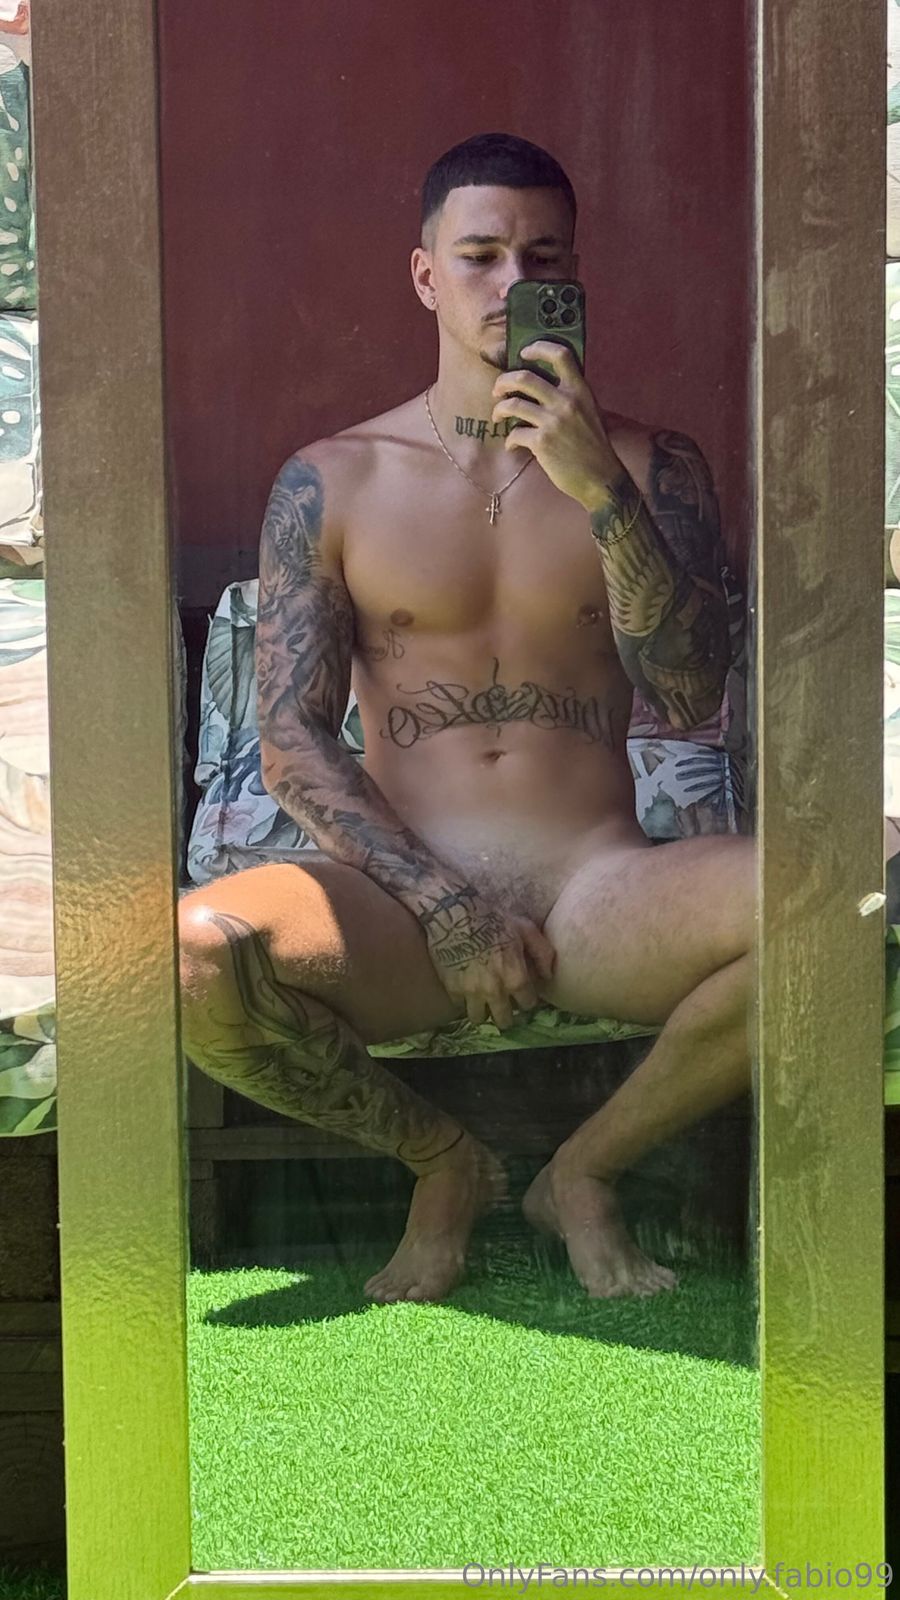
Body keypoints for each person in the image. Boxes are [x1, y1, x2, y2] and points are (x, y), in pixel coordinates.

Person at [178, 132, 754, 1304]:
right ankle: (444, 1162)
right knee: (190, 958)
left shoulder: (653, 466)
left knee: (849, 906)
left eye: (542, 258)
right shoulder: (334, 479)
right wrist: (445, 906)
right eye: (481, 254)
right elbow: (290, 741)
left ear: (574, 276)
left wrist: (603, 494)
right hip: (402, 907)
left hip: (599, 891)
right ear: (425, 275)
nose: (510, 281)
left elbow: (693, 693)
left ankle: (584, 1170)